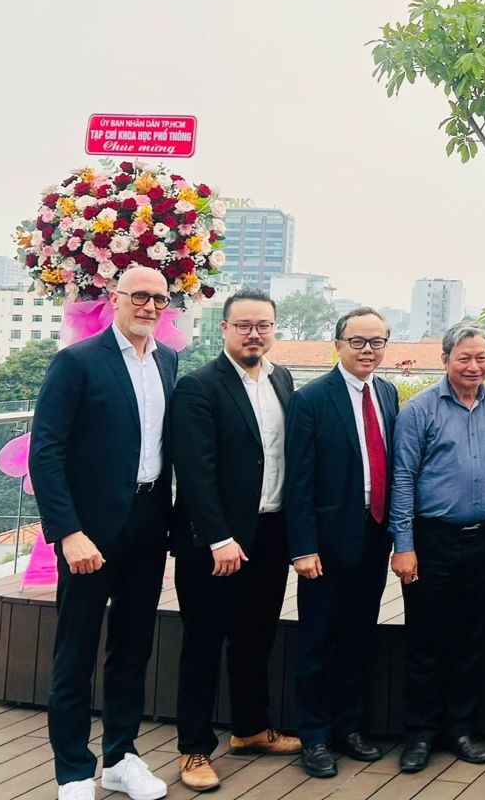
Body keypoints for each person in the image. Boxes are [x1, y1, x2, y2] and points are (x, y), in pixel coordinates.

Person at [30, 265, 178, 800]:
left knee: (133, 648)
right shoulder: (78, 361)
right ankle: (72, 770)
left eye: (159, 298)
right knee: (75, 651)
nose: (150, 306)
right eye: (139, 296)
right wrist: (68, 532)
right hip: (89, 530)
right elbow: (45, 451)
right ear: (115, 298)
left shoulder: (168, 360)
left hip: (149, 521)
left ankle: (120, 756)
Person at [169, 289, 302, 792]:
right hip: (216, 543)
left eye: (263, 325)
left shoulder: (282, 379)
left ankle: (250, 729)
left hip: (270, 532)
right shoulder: (199, 386)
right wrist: (218, 537)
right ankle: (194, 748)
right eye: (244, 325)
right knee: (203, 644)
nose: (254, 334)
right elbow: (194, 472)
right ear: (224, 329)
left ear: (273, 329)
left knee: (256, 637)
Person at [389, 324, 485, 774]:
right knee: (425, 638)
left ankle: (461, 728)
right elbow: (402, 479)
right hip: (432, 540)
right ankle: (420, 733)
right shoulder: (419, 410)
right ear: (445, 360)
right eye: (464, 357)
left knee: (471, 637)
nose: (474, 366)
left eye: (482, 357)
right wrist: (404, 545)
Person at [284, 307, 399, 779]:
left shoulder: (387, 393)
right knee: (318, 643)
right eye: (358, 341)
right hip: (326, 545)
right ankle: (314, 736)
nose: (367, 350)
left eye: (376, 342)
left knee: (358, 638)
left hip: (374, 535)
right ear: (338, 345)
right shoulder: (311, 399)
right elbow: (298, 480)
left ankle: (348, 728)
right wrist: (303, 547)